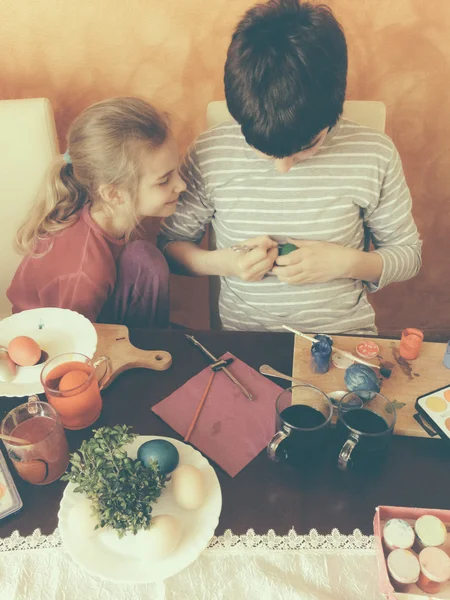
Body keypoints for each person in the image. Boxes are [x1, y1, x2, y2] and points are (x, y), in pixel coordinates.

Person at [158, 0, 421, 334]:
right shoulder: (211, 152)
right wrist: (225, 263)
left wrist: (347, 263)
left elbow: (408, 255)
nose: (283, 168)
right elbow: (168, 246)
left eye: (305, 148)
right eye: (263, 150)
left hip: (342, 338)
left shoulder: (374, 154)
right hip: (247, 343)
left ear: (332, 114)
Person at [8, 97, 186, 327]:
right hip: (52, 341)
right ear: (114, 194)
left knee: (144, 258)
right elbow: (69, 347)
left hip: (90, 313)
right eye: (164, 180)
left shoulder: (101, 208)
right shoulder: (84, 273)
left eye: (177, 170)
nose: (182, 185)